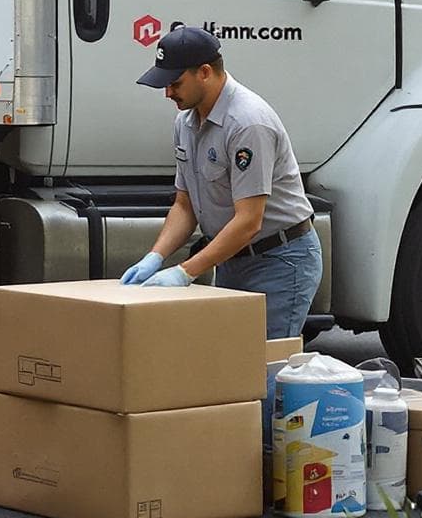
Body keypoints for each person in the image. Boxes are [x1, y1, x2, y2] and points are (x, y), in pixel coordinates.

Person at [120, 24, 324, 340]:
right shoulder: (186, 121)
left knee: (262, 372)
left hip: (278, 260)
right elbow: (185, 205)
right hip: (231, 258)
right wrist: (156, 257)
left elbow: (249, 221)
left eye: (175, 83)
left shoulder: (247, 123)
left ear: (205, 72)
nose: (168, 93)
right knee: (228, 370)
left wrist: (185, 272)